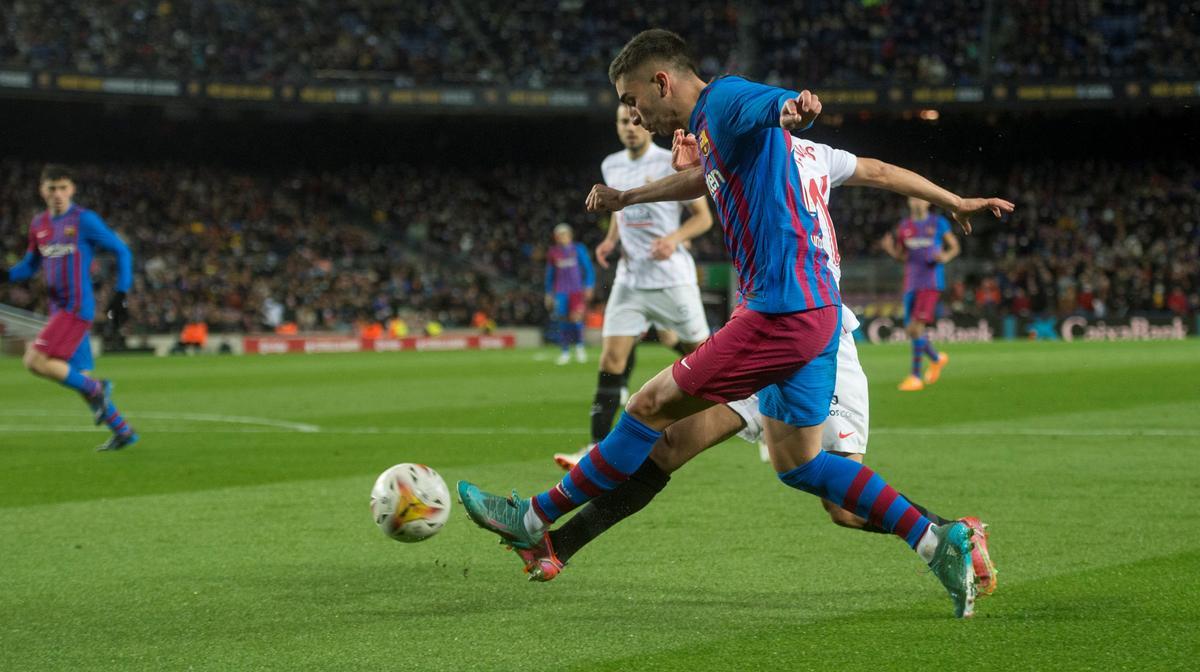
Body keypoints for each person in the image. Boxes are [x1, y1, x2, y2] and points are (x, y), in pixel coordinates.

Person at [459, 29, 1011, 617]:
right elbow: (713, 178)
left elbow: (771, 105)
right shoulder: (715, 136)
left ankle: (533, 518)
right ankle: (938, 541)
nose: (633, 114)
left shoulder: (724, 103)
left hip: (780, 311)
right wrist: (629, 199)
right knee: (796, 466)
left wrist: (794, 106)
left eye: (631, 99)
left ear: (661, 82)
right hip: (810, 311)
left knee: (647, 407)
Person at [516, 130, 999, 598]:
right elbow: (878, 170)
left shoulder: (775, 155)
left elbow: (878, 171)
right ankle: (558, 545)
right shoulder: (765, 155)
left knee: (842, 508)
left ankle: (953, 533)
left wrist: (953, 201)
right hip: (760, 332)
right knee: (667, 446)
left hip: (812, 339)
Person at [578, 103, 713, 453]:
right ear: (616, 125)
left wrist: (673, 239)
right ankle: (595, 447)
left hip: (672, 278)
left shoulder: (667, 160)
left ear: (647, 126)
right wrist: (609, 241)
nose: (630, 127)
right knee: (610, 360)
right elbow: (619, 214)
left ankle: (750, 416)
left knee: (703, 357)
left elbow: (703, 218)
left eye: (635, 121)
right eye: (623, 121)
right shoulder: (612, 164)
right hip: (630, 279)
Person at [0, 165, 138, 451]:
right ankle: (123, 431)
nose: (58, 194)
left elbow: (122, 250)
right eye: (52, 188)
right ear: (42, 190)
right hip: (57, 309)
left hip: (76, 308)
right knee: (77, 376)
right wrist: (6, 275)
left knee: (34, 360)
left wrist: (121, 292)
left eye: (63, 187)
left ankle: (99, 389)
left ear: (72, 189)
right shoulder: (39, 224)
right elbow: (30, 265)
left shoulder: (84, 220)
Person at [881, 198, 959, 390]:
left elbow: (955, 247)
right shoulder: (905, 226)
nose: (917, 201)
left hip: (930, 282)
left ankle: (915, 376)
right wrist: (890, 249)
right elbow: (902, 256)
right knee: (911, 330)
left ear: (927, 203)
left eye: (920, 198)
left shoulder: (938, 223)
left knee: (916, 329)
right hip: (911, 283)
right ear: (908, 202)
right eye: (913, 198)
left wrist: (945, 257)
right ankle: (936, 358)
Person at [544, 223, 595, 365]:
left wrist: (589, 286)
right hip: (561, 291)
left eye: (564, 234)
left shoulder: (578, 249)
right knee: (562, 320)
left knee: (576, 319)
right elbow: (550, 275)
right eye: (559, 235)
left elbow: (588, 269)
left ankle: (579, 348)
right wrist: (548, 293)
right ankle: (565, 351)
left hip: (576, 290)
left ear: (570, 235)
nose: (562, 237)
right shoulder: (553, 252)